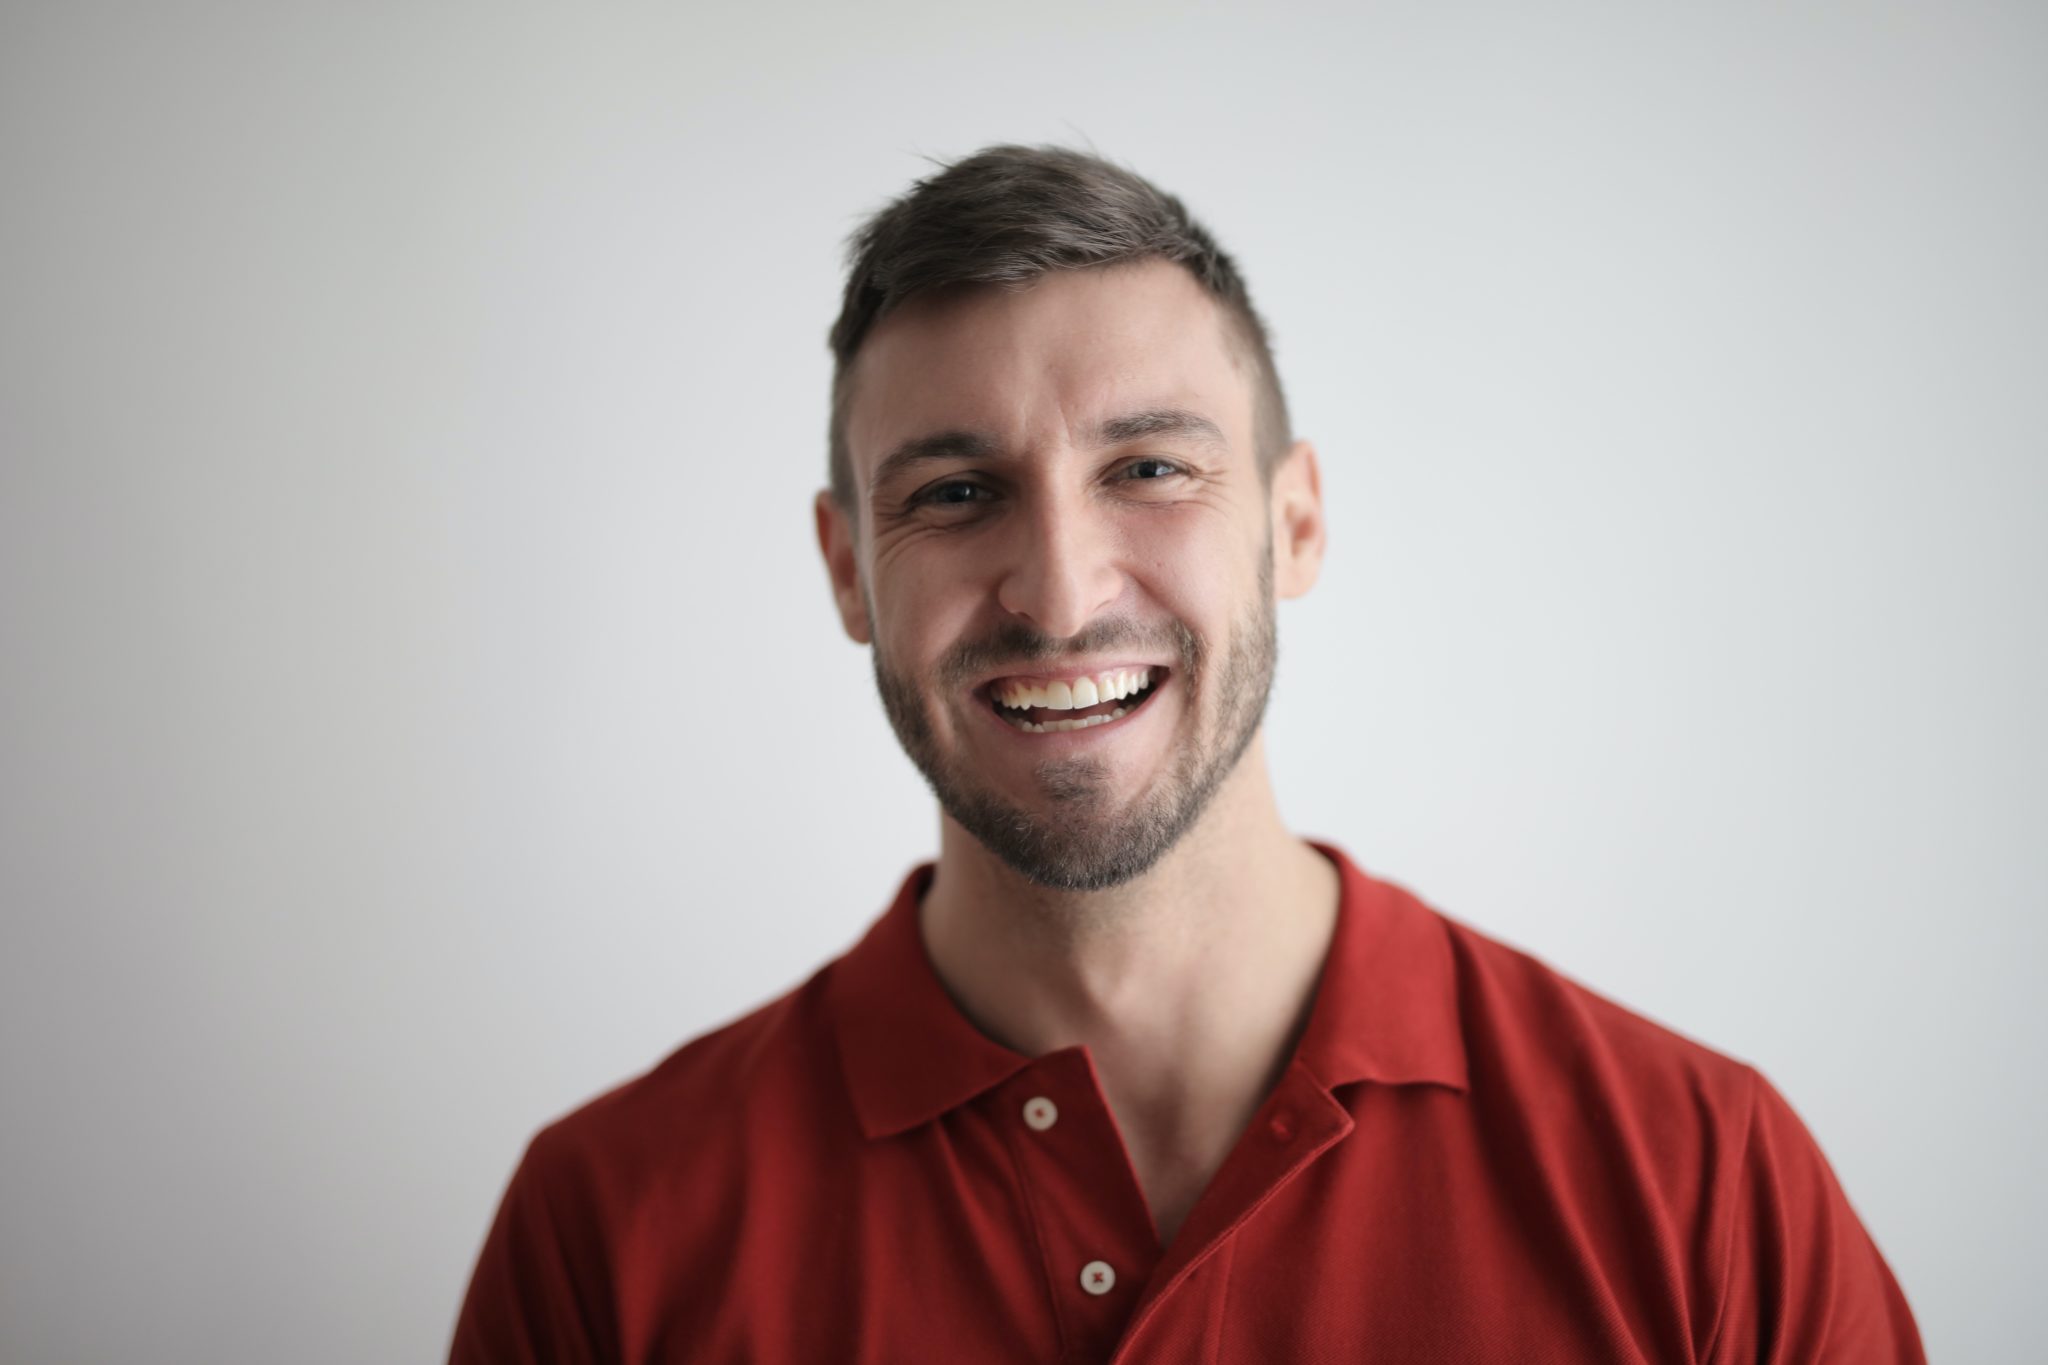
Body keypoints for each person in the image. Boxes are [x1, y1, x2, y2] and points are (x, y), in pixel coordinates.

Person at [449, 144, 1923, 1363]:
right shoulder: (610, 1235)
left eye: (1147, 469)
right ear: (848, 571)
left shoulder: (1704, 1188)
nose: (1063, 590)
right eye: (957, 492)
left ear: (1294, 523)